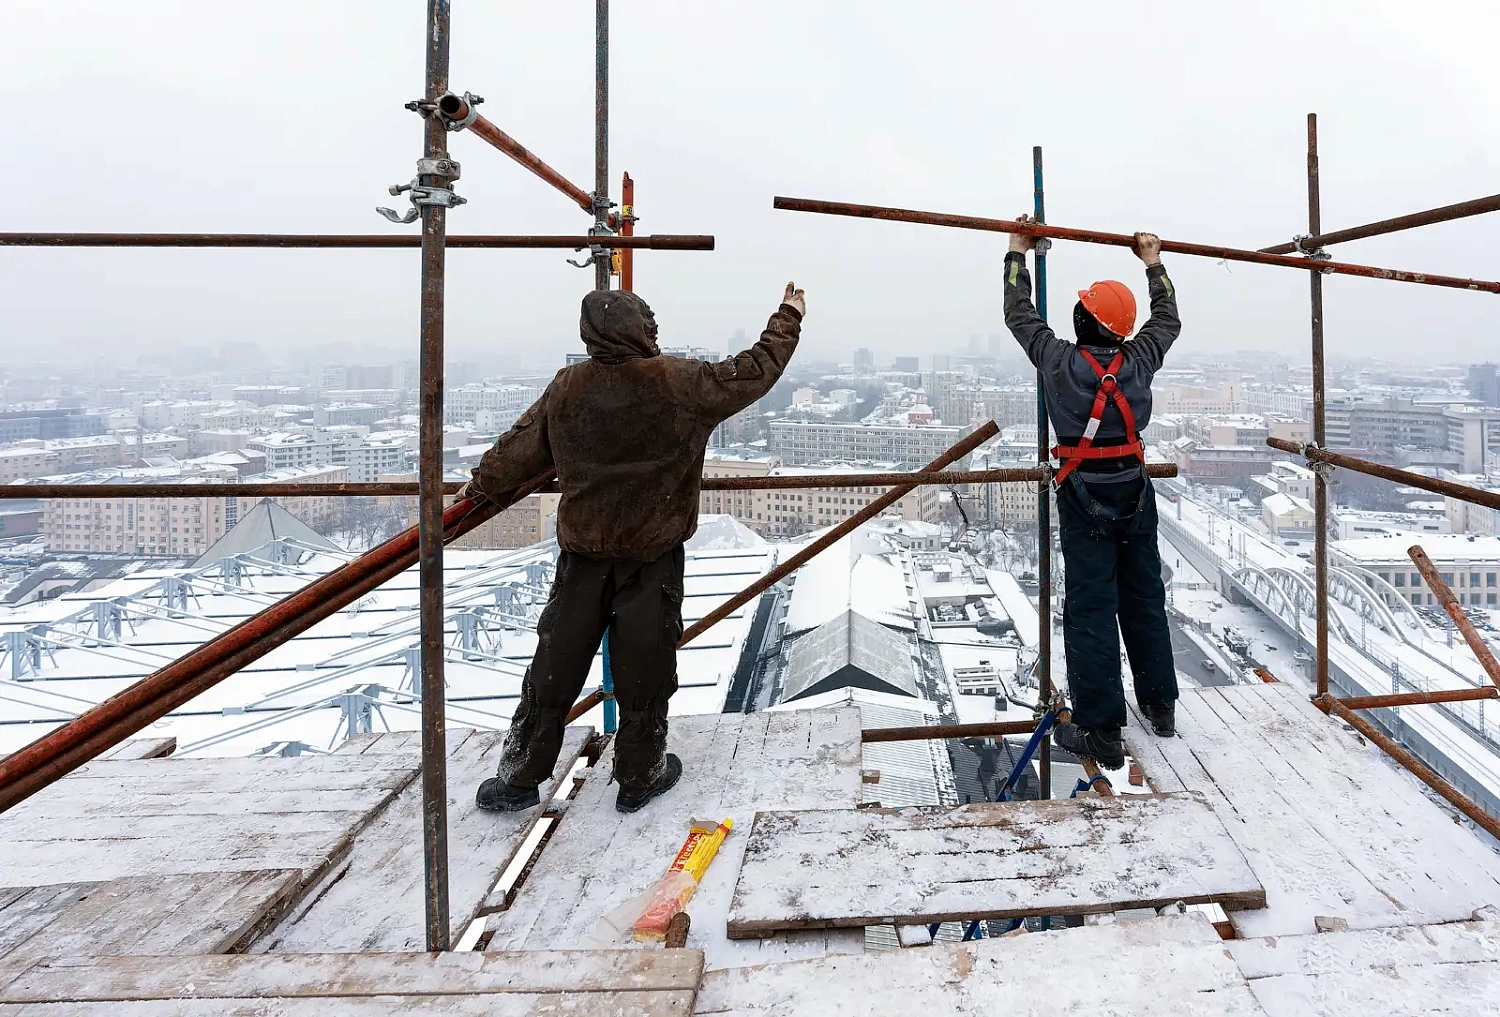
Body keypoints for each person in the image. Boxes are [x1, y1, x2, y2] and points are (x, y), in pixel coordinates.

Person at [461, 282, 806, 813]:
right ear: (639, 329)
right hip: (651, 556)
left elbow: (517, 453)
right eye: (649, 320)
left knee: (555, 663)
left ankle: (519, 777)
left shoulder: (569, 385)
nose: (655, 328)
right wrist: (787, 315)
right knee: (644, 666)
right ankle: (640, 775)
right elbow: (755, 370)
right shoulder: (681, 381)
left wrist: (478, 488)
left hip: (583, 558)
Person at [1003, 216, 1181, 770]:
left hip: (1083, 494)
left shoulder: (1059, 361)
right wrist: (1153, 264)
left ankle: (1102, 731)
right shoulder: (1140, 358)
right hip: (1135, 488)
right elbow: (1167, 318)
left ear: (1084, 318)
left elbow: (1019, 314)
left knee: (1092, 608)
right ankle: (1159, 704)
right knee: (1144, 594)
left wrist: (1017, 254)